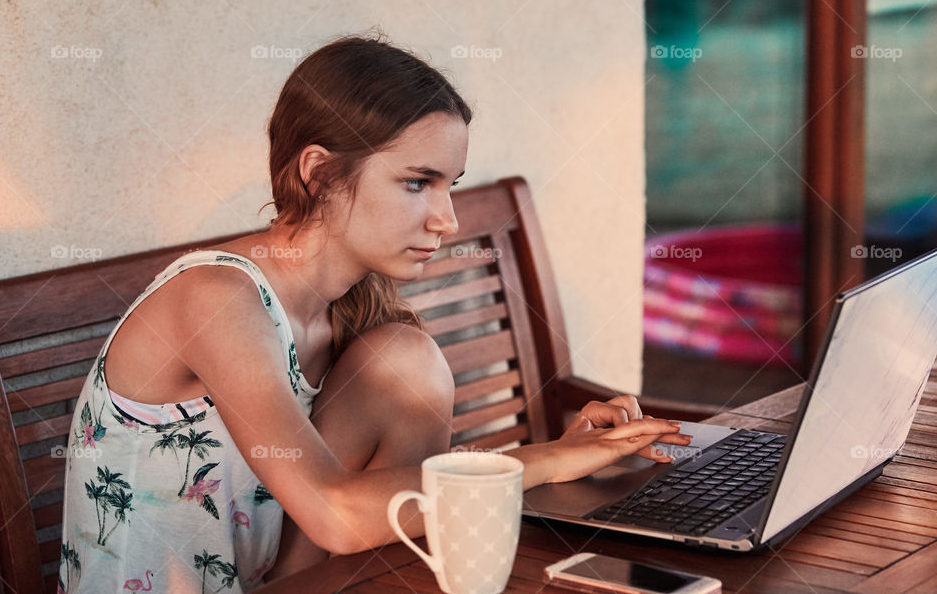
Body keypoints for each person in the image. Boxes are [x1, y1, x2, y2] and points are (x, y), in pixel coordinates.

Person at [59, 34, 691, 593]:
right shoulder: (217, 298)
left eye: (450, 184)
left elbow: (395, 498)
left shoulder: (348, 316)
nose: (447, 219)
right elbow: (334, 510)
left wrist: (560, 453)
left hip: (301, 580)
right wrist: (544, 462)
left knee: (407, 360)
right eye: (418, 182)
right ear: (318, 171)